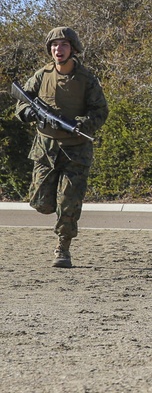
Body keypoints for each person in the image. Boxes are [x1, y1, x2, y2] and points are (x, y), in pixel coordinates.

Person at [13, 27, 108, 268]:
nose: (59, 49)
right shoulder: (41, 75)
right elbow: (21, 105)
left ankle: (63, 248)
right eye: (54, 45)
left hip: (76, 150)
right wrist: (32, 114)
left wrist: (80, 124)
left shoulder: (86, 79)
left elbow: (100, 111)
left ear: (73, 49)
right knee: (41, 203)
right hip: (45, 148)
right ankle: (52, 212)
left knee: (68, 202)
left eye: (64, 45)